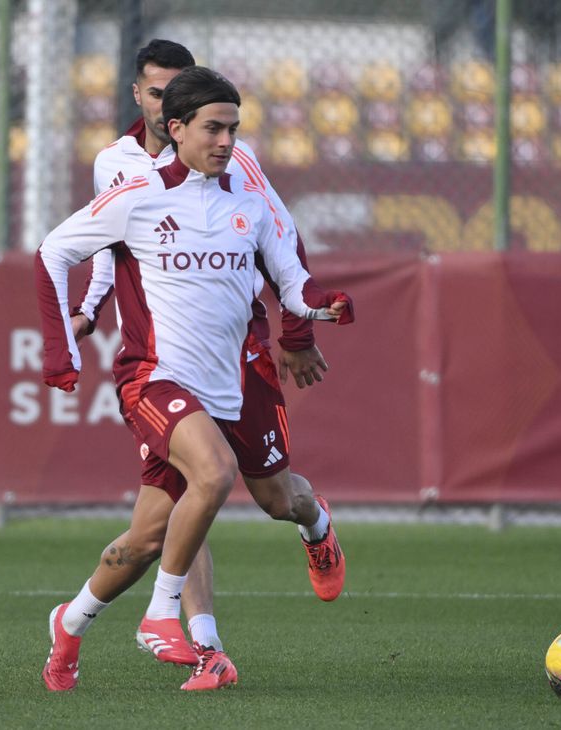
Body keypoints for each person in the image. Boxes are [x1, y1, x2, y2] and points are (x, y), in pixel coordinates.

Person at [35, 66, 355, 693]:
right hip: (154, 377)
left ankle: (69, 623)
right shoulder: (136, 193)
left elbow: (293, 281)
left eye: (233, 128)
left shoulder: (250, 202)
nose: (225, 140)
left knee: (174, 529)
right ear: (175, 129)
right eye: (213, 128)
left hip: (233, 380)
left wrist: (320, 308)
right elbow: (53, 253)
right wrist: (60, 351)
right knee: (212, 473)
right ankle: (165, 619)